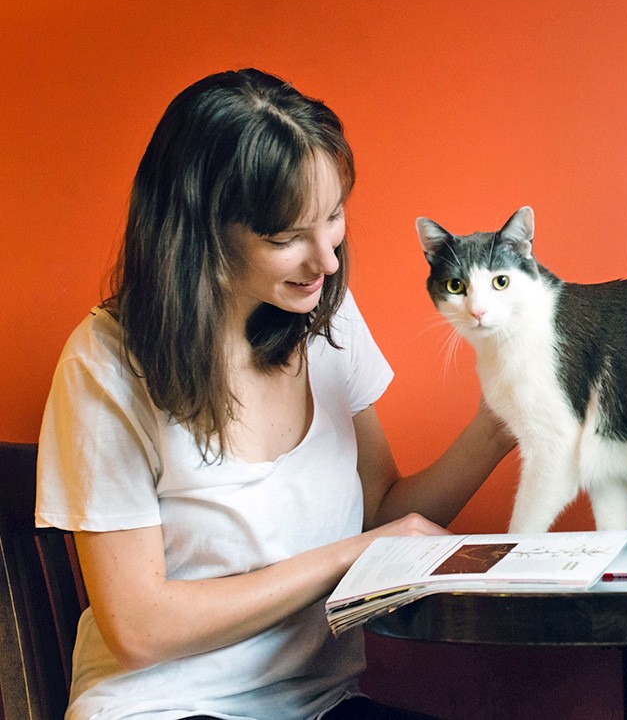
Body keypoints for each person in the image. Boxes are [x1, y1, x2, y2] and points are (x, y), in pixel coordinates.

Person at [35, 68, 514, 720]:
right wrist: (350, 556)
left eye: (333, 217)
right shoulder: (106, 364)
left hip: (316, 705)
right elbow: (139, 629)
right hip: (160, 708)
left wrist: (500, 423)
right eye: (288, 236)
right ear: (201, 231)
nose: (328, 260)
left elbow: (379, 518)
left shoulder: (328, 324)